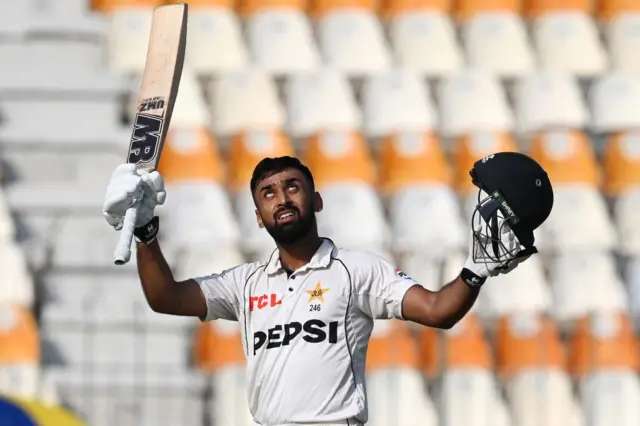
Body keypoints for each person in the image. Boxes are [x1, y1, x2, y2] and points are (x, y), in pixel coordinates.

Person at [102, 152, 553, 426]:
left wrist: (477, 269)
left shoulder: (356, 270)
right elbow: (165, 298)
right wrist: (145, 232)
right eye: (268, 193)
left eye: (293, 187)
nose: (282, 198)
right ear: (258, 216)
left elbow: (437, 310)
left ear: (315, 200)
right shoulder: (245, 283)